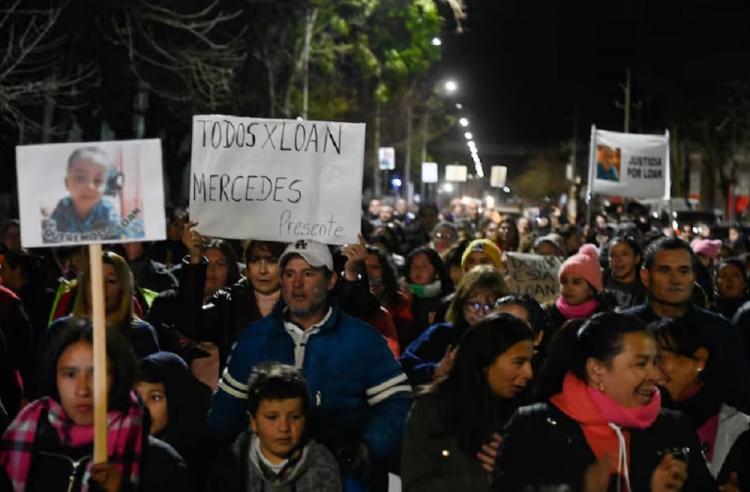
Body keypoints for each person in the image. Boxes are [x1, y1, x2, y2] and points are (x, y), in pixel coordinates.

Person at [208, 239, 411, 490]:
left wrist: (367, 448)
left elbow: (398, 404)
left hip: (344, 478)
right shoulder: (255, 338)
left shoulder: (361, 339)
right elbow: (224, 415)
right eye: (290, 273)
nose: (297, 283)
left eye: (308, 273)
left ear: (331, 281)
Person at [493, 312, 716, 491]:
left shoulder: (674, 429)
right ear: (597, 370)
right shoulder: (533, 428)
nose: (656, 376)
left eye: (655, 362)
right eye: (640, 364)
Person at [0, 318, 191, 491]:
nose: (82, 389)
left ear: (117, 377)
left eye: (95, 374)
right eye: (70, 374)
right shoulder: (27, 441)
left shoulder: (159, 462)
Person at [401, 313, 534, 492]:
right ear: (486, 361)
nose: (529, 373)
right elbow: (416, 487)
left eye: (530, 362)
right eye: (519, 362)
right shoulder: (432, 411)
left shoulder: (528, 414)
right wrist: (485, 481)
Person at [623, 237, 750, 410]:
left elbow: (739, 395)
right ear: (646, 276)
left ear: (694, 277)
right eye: (665, 270)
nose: (675, 280)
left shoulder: (721, 331)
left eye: (683, 271)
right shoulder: (623, 329)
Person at [209, 362, 342, 492]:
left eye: (294, 417)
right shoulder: (231, 465)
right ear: (253, 422)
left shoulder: (323, 467)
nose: (284, 428)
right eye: (272, 417)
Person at [651, 317, 750, 490]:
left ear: (699, 359)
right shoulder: (641, 422)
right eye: (644, 362)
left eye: (660, 358)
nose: (651, 372)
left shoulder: (741, 430)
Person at [400, 266, 508, 386]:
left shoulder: (505, 341)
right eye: (473, 304)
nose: (481, 312)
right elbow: (403, 366)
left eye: (489, 306)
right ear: (461, 303)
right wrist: (436, 370)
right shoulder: (441, 333)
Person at [47, 251, 160, 359]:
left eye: (111, 281)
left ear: (123, 289)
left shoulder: (141, 333)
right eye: (95, 279)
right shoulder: (60, 330)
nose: (101, 287)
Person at [135, 351, 213, 484]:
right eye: (136, 396)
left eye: (155, 397)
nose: (141, 408)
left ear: (177, 399)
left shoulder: (209, 463)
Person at [545, 244, 611, 350]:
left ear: (591, 288)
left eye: (576, 282)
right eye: (564, 282)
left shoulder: (605, 319)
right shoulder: (547, 316)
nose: (569, 287)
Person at [44, 147, 121, 239]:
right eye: (80, 178)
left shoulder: (107, 210)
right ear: (67, 183)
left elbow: (115, 238)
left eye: (98, 180)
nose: (89, 186)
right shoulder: (63, 207)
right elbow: (52, 234)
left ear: (105, 187)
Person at [403, 247, 452, 347]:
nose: (418, 270)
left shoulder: (447, 297)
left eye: (424, 266)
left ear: (436, 271)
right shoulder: (402, 295)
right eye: (414, 266)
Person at [604, 235, 646, 310]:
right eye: (613, 255)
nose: (618, 260)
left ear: (636, 258)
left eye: (624, 254)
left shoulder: (645, 290)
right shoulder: (599, 281)